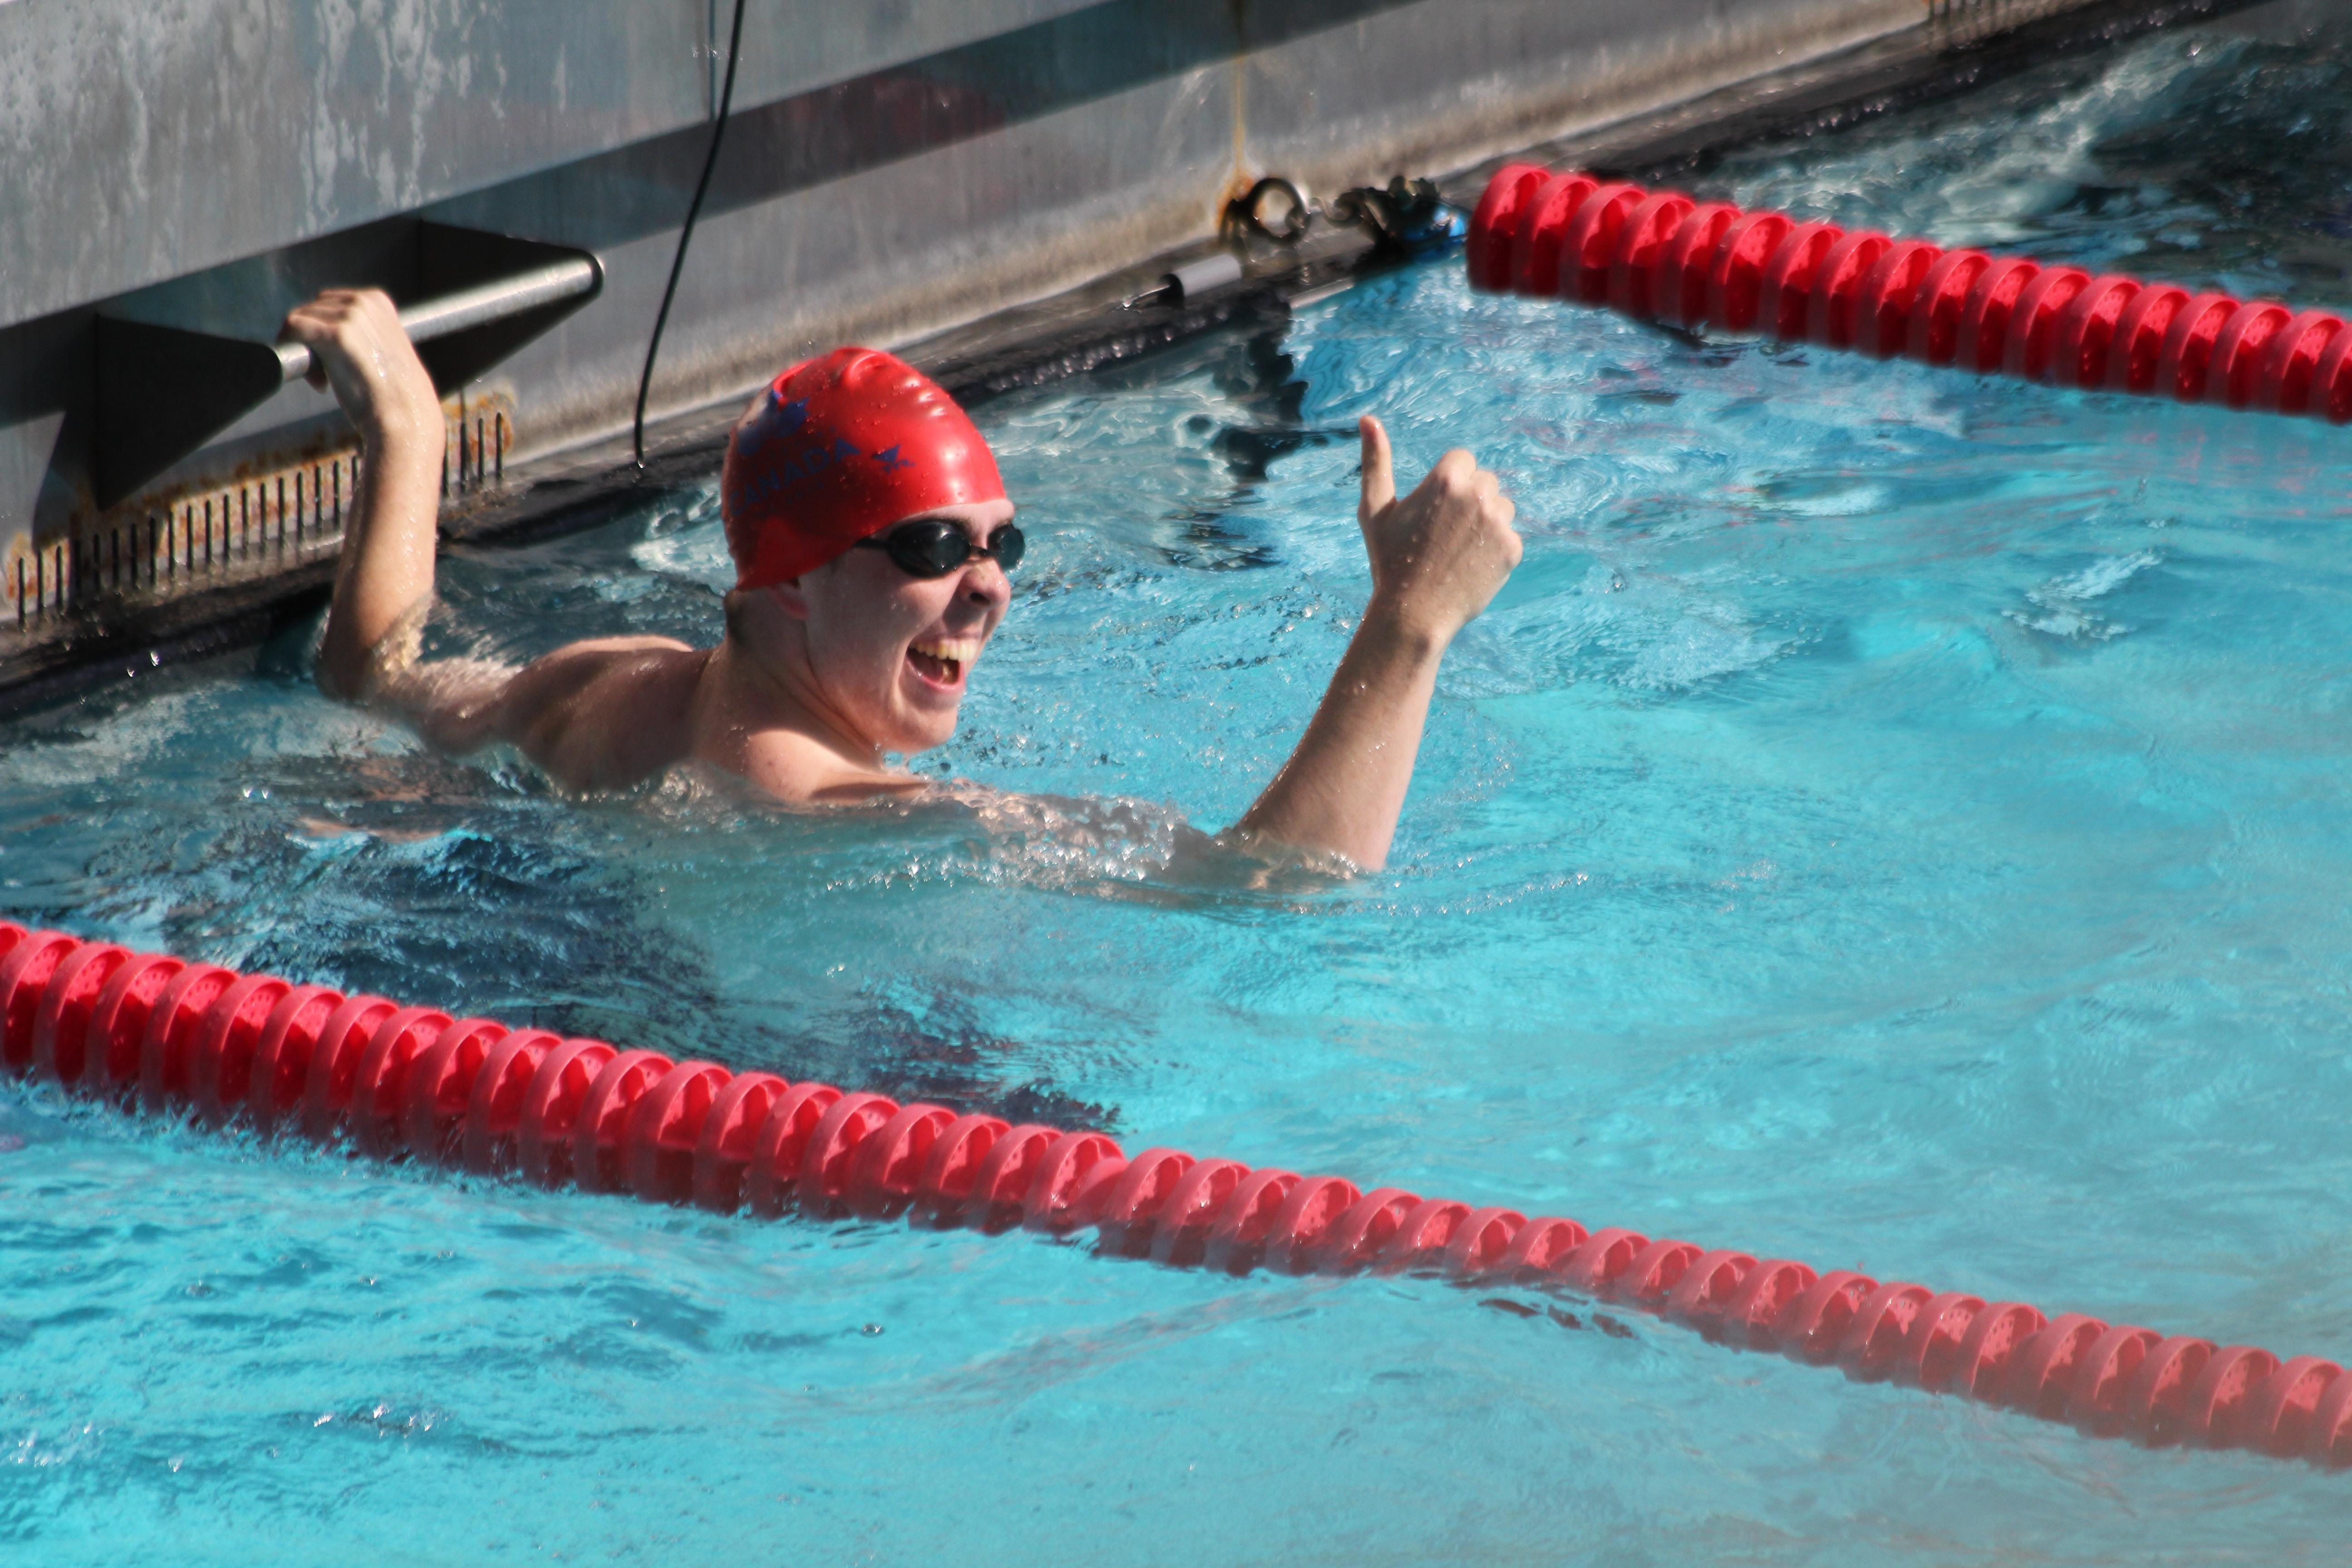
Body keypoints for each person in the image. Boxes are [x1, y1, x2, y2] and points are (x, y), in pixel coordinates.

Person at [284, 286, 1520, 872]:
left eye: (1001, 544)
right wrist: (1409, 625)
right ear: (784, 591)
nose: (990, 590)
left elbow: (376, 672)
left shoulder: (603, 689)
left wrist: (407, 428)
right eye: (933, 549)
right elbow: (1279, 896)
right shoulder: (837, 811)